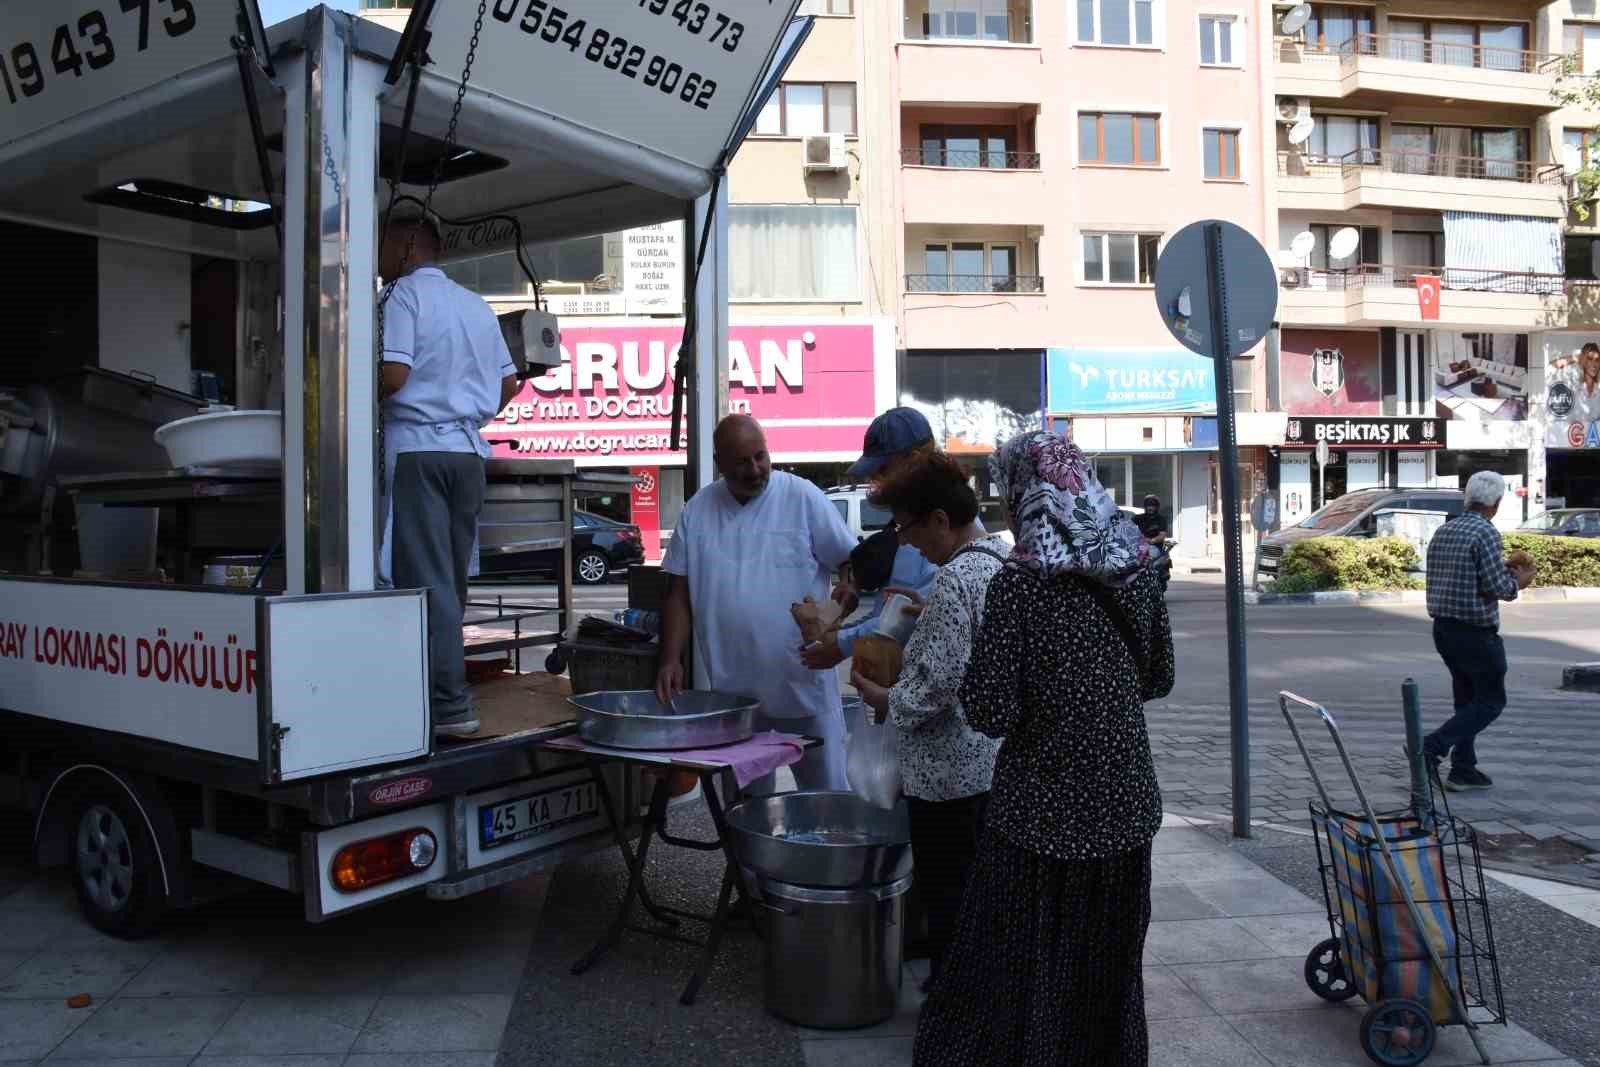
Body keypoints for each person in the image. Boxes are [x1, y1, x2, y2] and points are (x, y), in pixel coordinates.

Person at [915, 430, 1174, 1067]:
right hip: (1124, 805)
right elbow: (1159, 678)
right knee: (1107, 962)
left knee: (1030, 963)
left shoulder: (1020, 587)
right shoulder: (1138, 569)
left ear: (1022, 494)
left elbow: (992, 711)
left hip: (1040, 816)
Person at [848, 451, 1005, 996]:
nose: (907, 542)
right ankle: (968, 990)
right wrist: (926, 607)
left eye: (909, 528)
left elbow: (934, 688)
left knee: (949, 896)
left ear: (940, 519)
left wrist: (882, 696)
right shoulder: (995, 560)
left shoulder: (956, 580)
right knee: (971, 893)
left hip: (946, 777)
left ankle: (954, 1007)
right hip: (983, 762)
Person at [656, 415, 858, 791]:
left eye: (760, 456)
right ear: (720, 464)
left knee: (829, 801)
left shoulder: (802, 496)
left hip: (804, 688)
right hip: (737, 698)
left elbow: (850, 559)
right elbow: (679, 592)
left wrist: (848, 587)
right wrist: (670, 659)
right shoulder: (698, 510)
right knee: (746, 812)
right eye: (742, 462)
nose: (755, 469)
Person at [378, 212, 518, 738]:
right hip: (467, 458)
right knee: (450, 584)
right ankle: (442, 692)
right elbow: (509, 384)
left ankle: (448, 707)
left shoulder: (401, 296)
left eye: (384, 244)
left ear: (409, 244)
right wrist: (467, 411)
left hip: (419, 451)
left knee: (426, 583)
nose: (380, 258)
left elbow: (393, 375)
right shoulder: (475, 303)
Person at [799, 408, 942, 673]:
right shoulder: (910, 522)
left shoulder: (939, 529)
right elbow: (886, 615)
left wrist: (839, 643)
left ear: (915, 460)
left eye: (883, 470)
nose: (876, 481)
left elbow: (912, 617)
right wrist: (836, 629)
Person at [1420, 470, 1534, 792]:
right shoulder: (1485, 532)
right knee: (1490, 701)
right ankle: (1431, 747)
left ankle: (1463, 769)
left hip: (1444, 630)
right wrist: (1521, 581)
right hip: (1475, 633)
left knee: (1467, 701)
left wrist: (1501, 571)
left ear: (1467, 497)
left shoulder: (1445, 530)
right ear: (1495, 504)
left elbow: (1470, 579)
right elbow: (1497, 588)